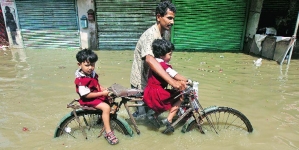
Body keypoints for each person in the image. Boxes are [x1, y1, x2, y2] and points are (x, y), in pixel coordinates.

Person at [130, 1, 186, 118]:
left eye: (173, 19)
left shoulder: (164, 33)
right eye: (169, 18)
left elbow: (163, 61)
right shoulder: (151, 35)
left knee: (153, 114)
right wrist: (173, 82)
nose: (172, 22)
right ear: (158, 17)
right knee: (143, 119)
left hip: (154, 82)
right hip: (142, 83)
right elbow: (150, 60)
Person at [74, 49, 119, 145]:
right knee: (106, 107)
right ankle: (108, 132)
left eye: (92, 65)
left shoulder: (91, 74)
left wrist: (104, 89)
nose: (90, 68)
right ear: (79, 65)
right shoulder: (81, 79)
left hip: (94, 96)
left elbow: (96, 85)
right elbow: (86, 95)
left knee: (111, 99)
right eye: (87, 65)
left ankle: (101, 119)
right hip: (87, 99)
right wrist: (102, 94)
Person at [143, 39, 187, 133]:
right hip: (157, 93)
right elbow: (175, 75)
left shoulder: (156, 63)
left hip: (150, 91)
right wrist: (187, 80)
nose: (171, 56)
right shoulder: (163, 65)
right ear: (162, 55)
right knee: (181, 96)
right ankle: (169, 119)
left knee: (169, 98)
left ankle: (154, 115)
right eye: (170, 54)